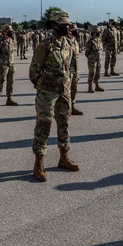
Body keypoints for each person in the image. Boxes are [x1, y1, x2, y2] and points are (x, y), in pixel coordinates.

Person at [29, 10, 80, 181]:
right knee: (44, 126)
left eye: (67, 24)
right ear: (53, 26)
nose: (67, 27)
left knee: (64, 123)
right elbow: (34, 71)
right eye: (63, 25)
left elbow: (71, 66)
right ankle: (39, 163)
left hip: (64, 92)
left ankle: (64, 157)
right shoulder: (45, 45)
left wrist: (68, 85)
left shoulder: (69, 43)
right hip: (47, 93)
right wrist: (43, 88)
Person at [0, 24, 18, 108]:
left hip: (11, 63)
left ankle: (9, 99)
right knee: (1, 81)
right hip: (2, 64)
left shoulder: (11, 40)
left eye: (11, 30)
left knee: (11, 81)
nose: (11, 32)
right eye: (8, 30)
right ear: (4, 32)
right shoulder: (0, 41)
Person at [85, 26, 104, 93]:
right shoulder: (90, 42)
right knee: (92, 73)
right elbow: (86, 52)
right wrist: (91, 58)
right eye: (97, 32)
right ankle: (90, 87)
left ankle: (97, 86)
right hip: (92, 60)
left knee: (98, 73)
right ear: (93, 33)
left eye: (99, 32)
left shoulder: (99, 40)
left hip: (99, 59)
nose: (99, 33)